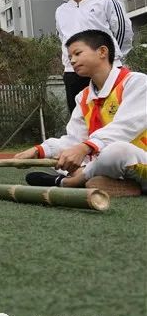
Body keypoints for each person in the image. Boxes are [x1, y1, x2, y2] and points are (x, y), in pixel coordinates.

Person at [18, 30, 146, 197]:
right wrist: (40, 150)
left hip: (137, 158)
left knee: (117, 151)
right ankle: (121, 185)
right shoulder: (83, 97)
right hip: (109, 166)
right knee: (63, 157)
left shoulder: (137, 82)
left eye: (77, 53)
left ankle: (71, 181)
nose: (72, 60)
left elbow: (126, 127)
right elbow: (74, 139)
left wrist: (84, 148)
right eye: (70, 56)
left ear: (102, 52)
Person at [54, 0, 132, 113]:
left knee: (113, 115)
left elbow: (123, 32)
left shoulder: (105, 2)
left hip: (105, 69)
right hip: (73, 73)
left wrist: (112, 58)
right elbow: (63, 39)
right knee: (81, 117)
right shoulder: (61, 11)